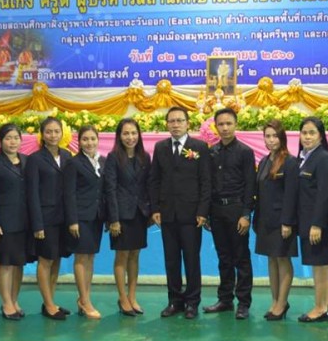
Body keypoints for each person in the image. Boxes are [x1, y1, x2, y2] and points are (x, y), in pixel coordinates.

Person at [149, 107, 211, 320]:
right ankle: (174, 301)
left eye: (179, 120)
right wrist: (155, 209)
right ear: (167, 124)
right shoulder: (160, 147)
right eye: (172, 121)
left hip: (192, 215)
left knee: (192, 260)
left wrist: (203, 211)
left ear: (187, 123)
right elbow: (154, 180)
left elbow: (206, 182)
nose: (175, 124)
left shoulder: (199, 147)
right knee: (171, 260)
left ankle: (192, 302)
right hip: (167, 214)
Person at [204, 108, 256, 320]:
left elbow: (250, 185)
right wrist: (207, 213)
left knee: (241, 257)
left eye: (229, 124)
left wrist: (246, 214)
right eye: (221, 124)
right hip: (217, 211)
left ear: (236, 125)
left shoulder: (245, 152)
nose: (225, 128)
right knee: (223, 257)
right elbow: (208, 184)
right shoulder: (212, 152)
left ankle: (243, 302)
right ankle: (225, 299)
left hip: (237, 210)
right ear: (215, 126)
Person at [26, 117, 72, 320]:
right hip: (45, 219)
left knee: (57, 259)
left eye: (56, 131)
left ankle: (50, 302)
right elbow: (32, 194)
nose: (53, 135)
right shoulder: (35, 159)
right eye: (49, 131)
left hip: (63, 217)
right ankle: (49, 304)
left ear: (62, 133)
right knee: (45, 260)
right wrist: (37, 224)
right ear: (42, 135)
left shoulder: (67, 155)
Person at [104, 118, 151, 316]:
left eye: (133, 133)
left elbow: (148, 186)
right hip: (121, 216)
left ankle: (132, 296)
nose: (130, 137)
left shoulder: (145, 157)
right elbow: (110, 189)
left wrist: (150, 212)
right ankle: (122, 298)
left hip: (139, 214)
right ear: (119, 136)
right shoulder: (113, 157)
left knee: (135, 255)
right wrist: (113, 219)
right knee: (122, 255)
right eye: (126, 133)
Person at [0, 123, 29, 321]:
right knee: (5, 263)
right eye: (8, 138)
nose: (12, 142)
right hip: (3, 223)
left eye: (16, 138)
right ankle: (6, 302)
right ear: (0, 142)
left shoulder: (27, 161)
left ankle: (14, 299)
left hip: (24, 222)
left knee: (19, 264)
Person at [295, 117, 328, 322]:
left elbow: (325, 195)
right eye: (304, 133)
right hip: (307, 220)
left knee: (321, 265)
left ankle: (320, 308)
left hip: (320, 224)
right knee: (321, 264)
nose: (307, 137)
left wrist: (317, 224)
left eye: (312, 133)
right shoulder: (304, 158)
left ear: (321, 136)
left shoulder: (324, 159)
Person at [254, 120, 298, 321]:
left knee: (282, 258)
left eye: (275, 136)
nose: (271, 140)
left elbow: (291, 195)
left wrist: (287, 222)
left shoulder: (290, 162)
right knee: (271, 259)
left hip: (282, 221)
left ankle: (282, 302)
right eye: (267, 136)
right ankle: (275, 300)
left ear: (282, 138)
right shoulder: (264, 161)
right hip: (265, 220)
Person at [64, 125, 106, 319]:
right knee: (81, 257)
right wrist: (72, 220)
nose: (89, 143)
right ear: (79, 142)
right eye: (85, 139)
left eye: (92, 138)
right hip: (80, 218)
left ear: (98, 140)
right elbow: (69, 193)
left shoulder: (103, 161)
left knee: (90, 257)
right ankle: (85, 300)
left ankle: (84, 298)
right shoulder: (74, 163)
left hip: (96, 217)